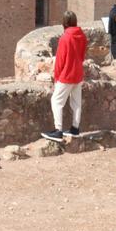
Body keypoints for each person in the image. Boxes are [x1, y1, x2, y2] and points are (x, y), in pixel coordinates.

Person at [41, 11, 88, 143]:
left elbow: (60, 60)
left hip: (66, 74)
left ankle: (58, 130)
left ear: (64, 23)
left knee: (56, 101)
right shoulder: (82, 36)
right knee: (76, 102)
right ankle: (75, 128)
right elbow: (83, 54)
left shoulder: (65, 38)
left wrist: (56, 77)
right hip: (78, 73)